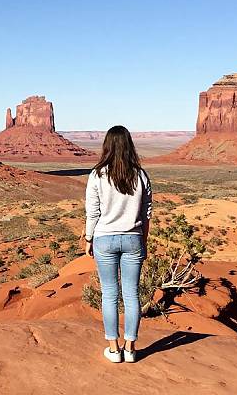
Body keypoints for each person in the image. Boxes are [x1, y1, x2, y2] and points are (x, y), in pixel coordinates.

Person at [84, 125, 152, 363]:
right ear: (129, 145)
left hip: (104, 238)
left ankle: (114, 349)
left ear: (107, 146)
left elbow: (92, 212)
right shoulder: (141, 174)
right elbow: (147, 213)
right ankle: (130, 348)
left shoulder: (97, 174)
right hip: (133, 238)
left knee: (110, 294)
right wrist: (142, 240)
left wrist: (89, 238)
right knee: (132, 295)